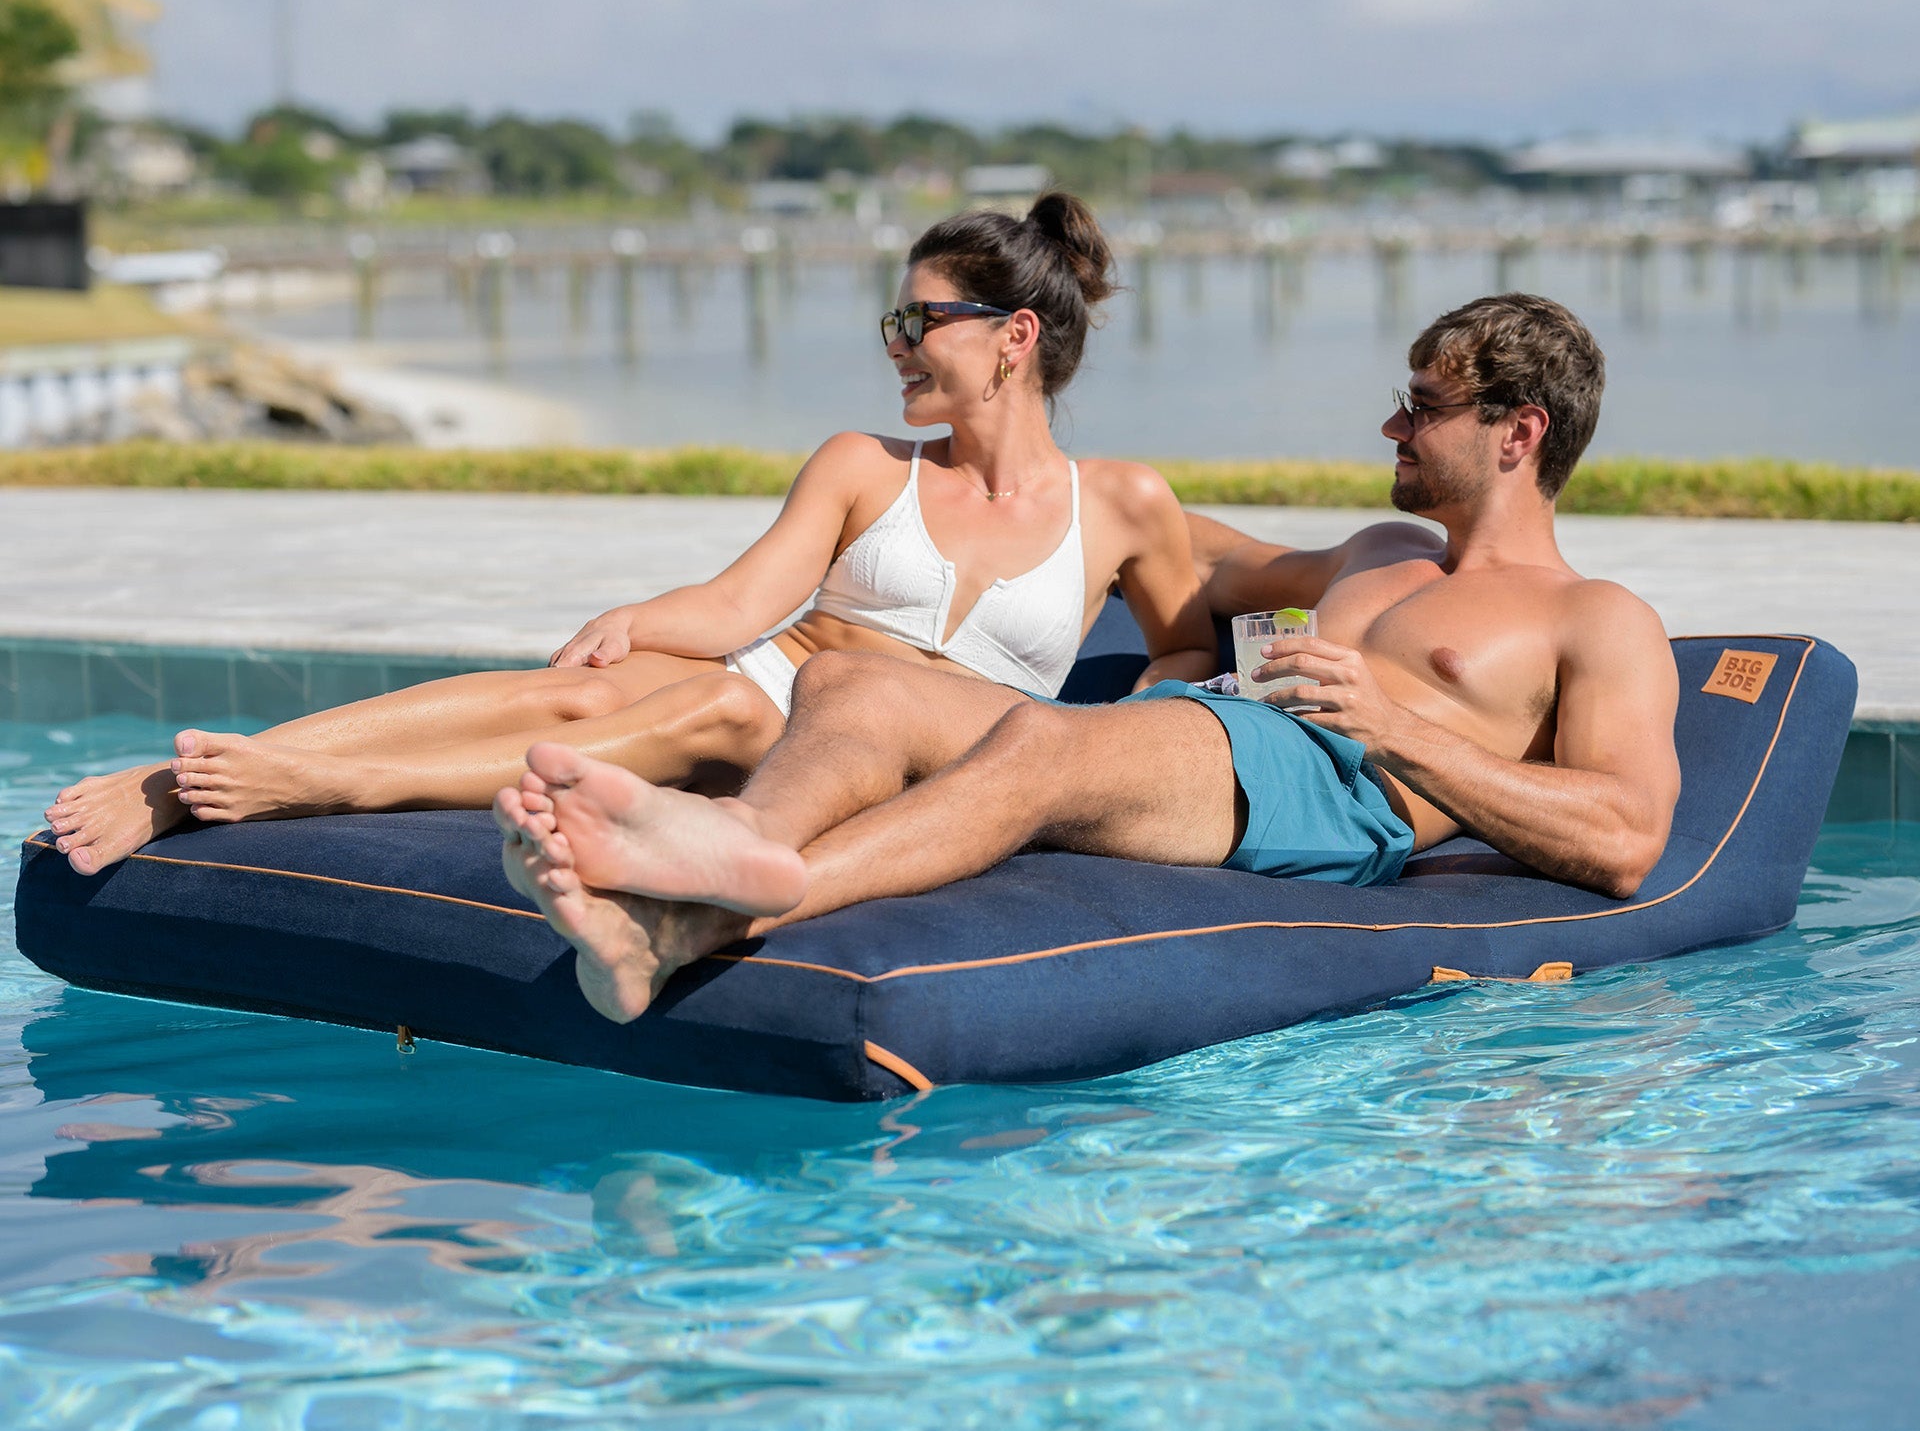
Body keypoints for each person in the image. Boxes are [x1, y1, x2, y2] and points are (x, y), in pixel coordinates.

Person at [492, 292, 1684, 1027]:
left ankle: (706, 920)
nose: (1391, 428)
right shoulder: (1378, 548)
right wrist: (1060, 511)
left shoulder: (1596, 619)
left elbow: (1628, 839)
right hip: (1223, 737)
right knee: (851, 680)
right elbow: (1202, 561)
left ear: (1518, 434)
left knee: (1040, 745)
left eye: (1422, 408)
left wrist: (1402, 728)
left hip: (1335, 793)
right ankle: (734, 852)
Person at [44, 194, 1216, 875]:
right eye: (889, 317)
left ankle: (324, 784)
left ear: (1013, 337)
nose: (895, 341)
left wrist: (1098, 737)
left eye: (919, 317)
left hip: (875, 737)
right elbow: (740, 605)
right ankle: (185, 775)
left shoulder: (1124, 506)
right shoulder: (866, 465)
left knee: (709, 708)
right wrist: (635, 623)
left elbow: (1182, 645)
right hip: (774, 681)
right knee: (578, 692)